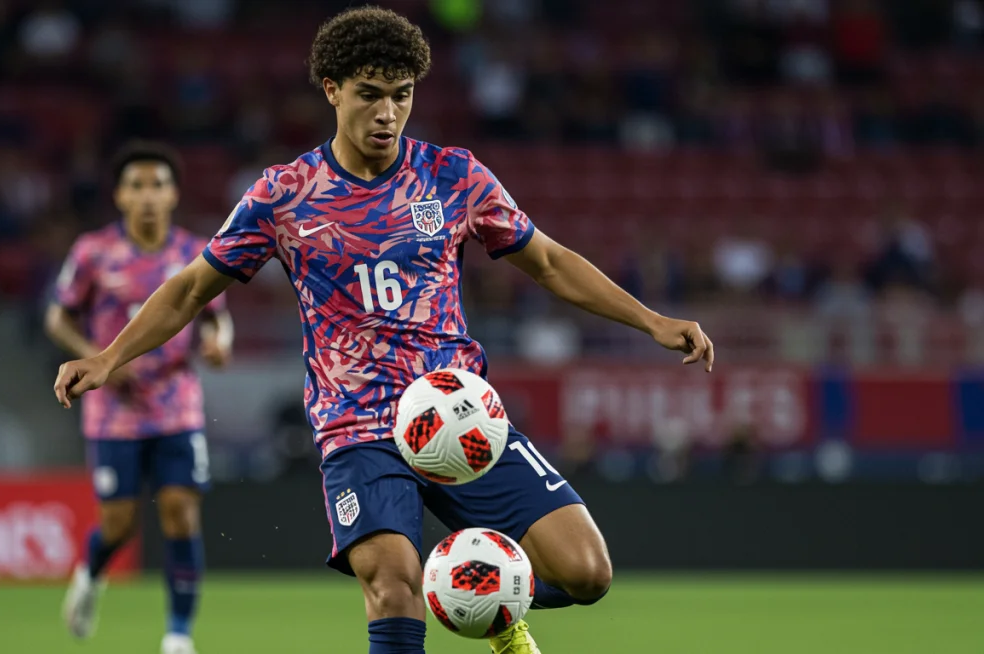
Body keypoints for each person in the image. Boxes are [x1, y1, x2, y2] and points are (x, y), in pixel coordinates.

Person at [53, 9, 715, 654]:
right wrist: (110, 358)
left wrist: (650, 321)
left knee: (587, 574)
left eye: (401, 96)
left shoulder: (454, 176)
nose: (387, 113)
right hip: (358, 428)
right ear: (332, 89)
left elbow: (547, 261)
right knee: (391, 586)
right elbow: (192, 288)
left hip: (460, 418)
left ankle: (483, 598)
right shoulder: (284, 194)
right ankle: (456, 595)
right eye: (370, 95)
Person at [47, 141, 232, 654]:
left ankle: (177, 634)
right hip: (114, 413)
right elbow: (57, 316)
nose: (148, 195)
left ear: (173, 195)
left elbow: (219, 317)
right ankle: (90, 574)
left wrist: (220, 343)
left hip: (177, 405)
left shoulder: (194, 252)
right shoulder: (93, 252)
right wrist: (98, 357)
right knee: (119, 523)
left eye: (157, 185)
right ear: (119, 196)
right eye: (137, 186)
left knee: (180, 511)